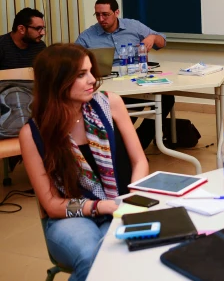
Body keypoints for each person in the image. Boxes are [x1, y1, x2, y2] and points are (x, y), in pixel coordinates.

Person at [18, 44, 148, 281]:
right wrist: (99, 207)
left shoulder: (111, 104)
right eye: (81, 75)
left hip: (121, 205)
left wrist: (130, 199)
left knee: (123, 252)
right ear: (56, 81)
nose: (92, 80)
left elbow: (139, 161)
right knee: (94, 256)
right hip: (69, 217)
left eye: (90, 71)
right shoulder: (32, 133)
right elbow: (51, 204)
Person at [75, 0, 171, 149]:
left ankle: (139, 142)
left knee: (166, 97)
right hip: (109, 83)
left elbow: (162, 42)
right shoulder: (88, 36)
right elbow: (74, 60)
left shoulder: (133, 26)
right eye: (97, 15)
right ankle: (121, 143)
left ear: (116, 12)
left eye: (105, 14)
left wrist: (152, 37)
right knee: (127, 104)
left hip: (136, 77)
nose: (101, 19)